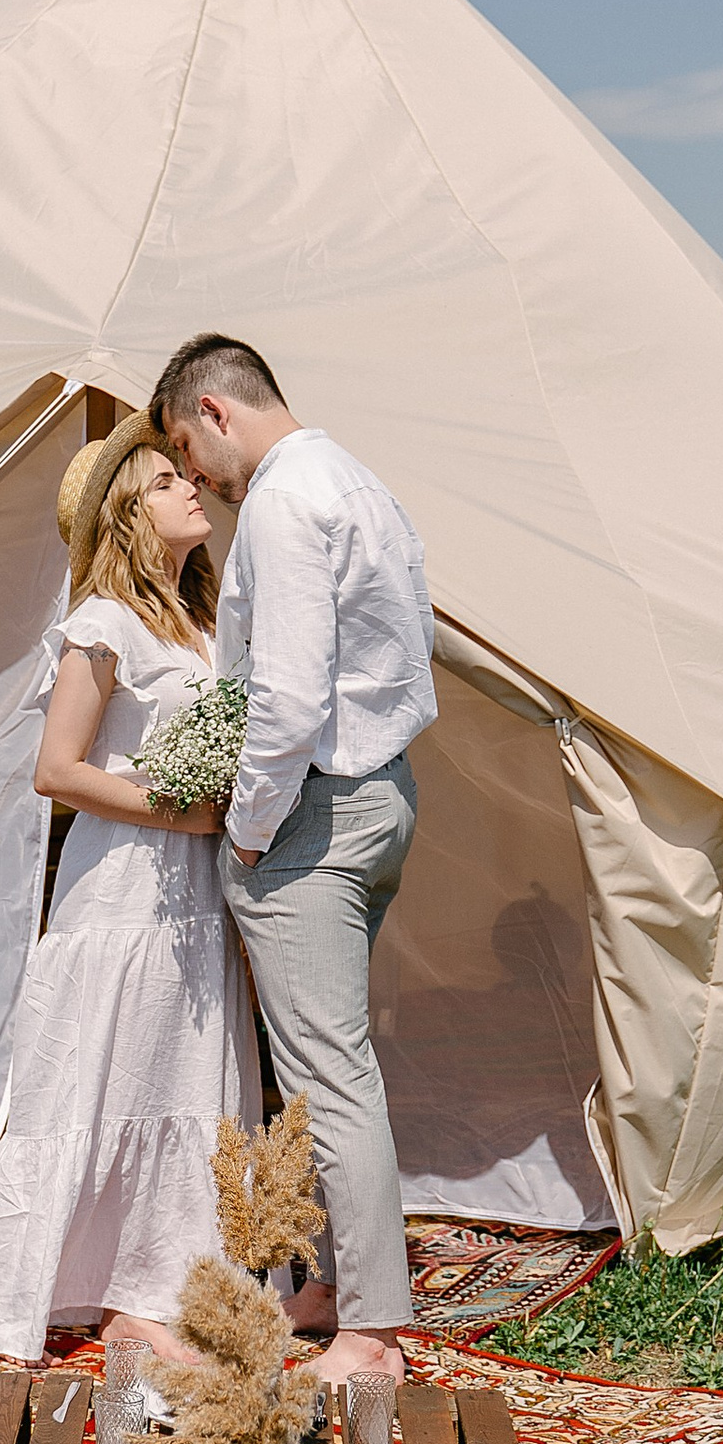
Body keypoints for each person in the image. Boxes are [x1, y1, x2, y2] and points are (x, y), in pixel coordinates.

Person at [150, 333, 437, 1386]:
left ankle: (372, 1336)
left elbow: (286, 694)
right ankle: (330, 1287)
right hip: (382, 790)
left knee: (327, 1071)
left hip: (313, 807)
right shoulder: (358, 480)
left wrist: (249, 826)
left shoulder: (278, 500)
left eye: (187, 451)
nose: (196, 478)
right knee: (323, 1065)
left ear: (216, 412)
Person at [0, 412, 262, 1366]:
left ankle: (161, 1290)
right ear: (128, 514)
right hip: (125, 887)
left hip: (199, 893)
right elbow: (57, 770)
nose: (191, 487)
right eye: (166, 482)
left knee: (185, 1076)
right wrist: (179, 811)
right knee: (105, 1068)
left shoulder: (210, 624)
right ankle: (93, 1291)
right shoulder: (101, 626)